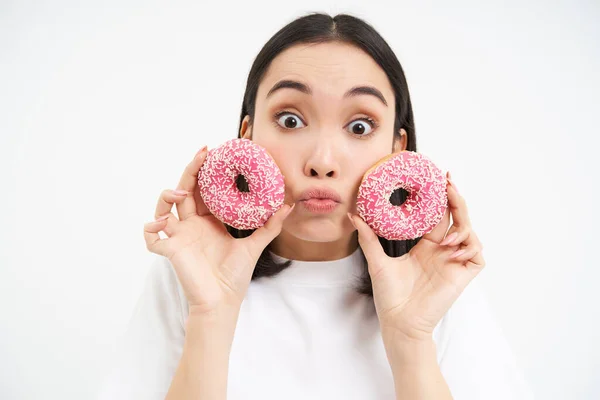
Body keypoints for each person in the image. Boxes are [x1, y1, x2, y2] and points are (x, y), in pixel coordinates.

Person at [96, 12, 535, 400]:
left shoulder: (441, 290)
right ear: (247, 137)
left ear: (398, 150)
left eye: (360, 126)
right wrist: (212, 314)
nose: (323, 162)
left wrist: (412, 339)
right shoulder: (188, 282)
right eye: (290, 120)